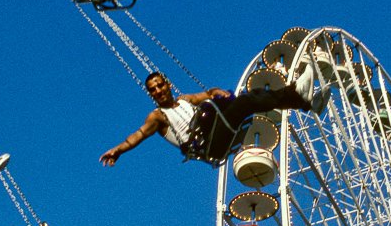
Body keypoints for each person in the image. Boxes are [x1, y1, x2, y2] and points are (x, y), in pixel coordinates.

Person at [100, 66, 325, 166]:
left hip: (217, 130)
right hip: (206, 145)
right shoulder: (158, 117)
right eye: (153, 89)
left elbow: (207, 93)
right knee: (244, 102)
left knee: (247, 99)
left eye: (160, 85)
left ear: (167, 85)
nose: (158, 91)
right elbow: (138, 135)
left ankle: (304, 102)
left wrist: (216, 91)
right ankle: (296, 94)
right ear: (151, 94)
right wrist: (118, 150)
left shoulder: (186, 99)